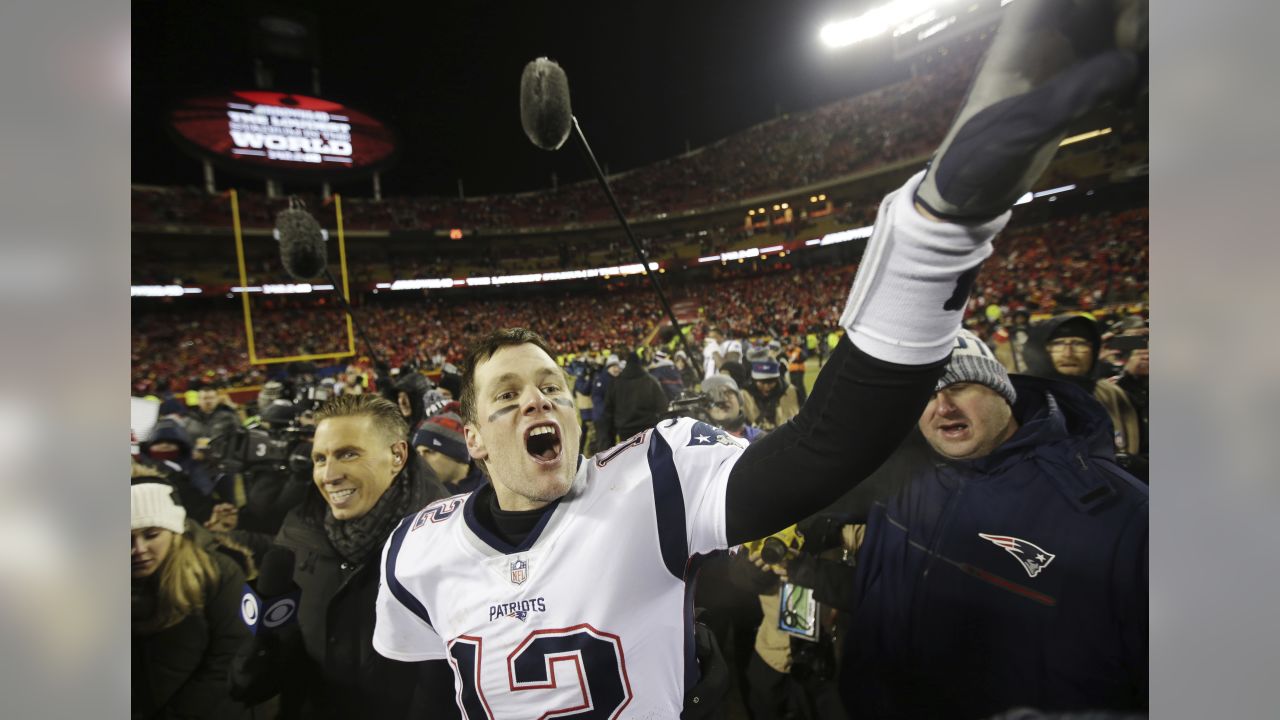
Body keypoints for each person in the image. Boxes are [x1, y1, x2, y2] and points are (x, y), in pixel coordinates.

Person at [374, 4, 1142, 714]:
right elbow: (421, 686)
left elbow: (829, 442)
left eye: (551, 384)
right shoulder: (417, 551)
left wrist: (937, 230)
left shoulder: (654, 481)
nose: (537, 401)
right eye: (505, 396)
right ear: (471, 435)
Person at [828, 329, 1147, 718]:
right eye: (924, 396)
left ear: (1003, 390)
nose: (942, 407)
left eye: (960, 387)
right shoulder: (900, 478)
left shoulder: (1124, 516)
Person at [265, 394, 457, 719]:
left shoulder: (450, 542)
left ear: (397, 455)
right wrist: (261, 659)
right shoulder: (300, 531)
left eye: (348, 454)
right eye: (320, 458)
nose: (329, 475)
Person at [131, 482, 250, 719]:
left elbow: (230, 656)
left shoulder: (217, 573)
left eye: (152, 535)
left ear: (175, 531)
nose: (139, 549)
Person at [1023, 313, 1146, 481]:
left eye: (1079, 344)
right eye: (1058, 344)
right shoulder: (1020, 397)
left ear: (1094, 349)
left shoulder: (1114, 394)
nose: (1068, 353)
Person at [596, 349, 669, 451]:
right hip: (648, 430)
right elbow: (663, 406)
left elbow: (608, 411)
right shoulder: (651, 381)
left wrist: (609, 440)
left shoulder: (616, 383)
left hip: (625, 432)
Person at [412, 409, 487, 495]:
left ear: (456, 452)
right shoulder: (424, 495)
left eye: (429, 451)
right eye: (418, 453)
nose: (421, 460)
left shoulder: (495, 486)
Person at [741, 359, 801, 433]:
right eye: (762, 383)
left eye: (770, 382)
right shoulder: (744, 394)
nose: (766, 387)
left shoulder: (790, 392)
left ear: (777, 380)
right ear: (754, 380)